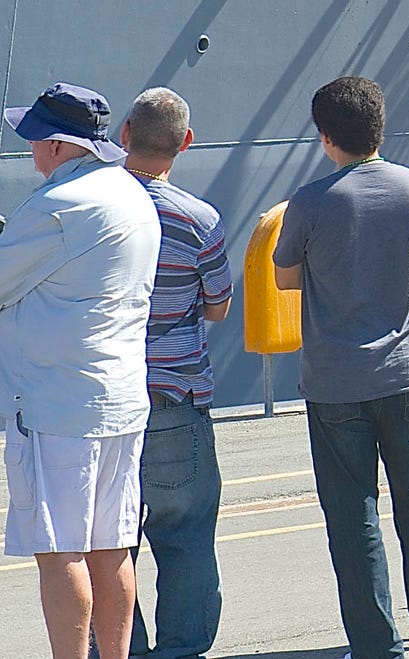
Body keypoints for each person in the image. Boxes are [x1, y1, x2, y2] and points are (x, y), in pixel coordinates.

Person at [271, 76, 409, 659]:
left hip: (336, 381)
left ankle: (374, 645)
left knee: (353, 517)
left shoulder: (311, 201)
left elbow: (285, 277)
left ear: (324, 136)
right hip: (406, 374)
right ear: (380, 125)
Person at [0, 85, 162, 659]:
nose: (31, 151)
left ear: (58, 144)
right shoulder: (132, 192)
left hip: (57, 404)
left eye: (36, 139)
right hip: (119, 397)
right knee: (111, 546)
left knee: (59, 549)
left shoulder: (55, 207)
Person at [117, 90, 230, 659]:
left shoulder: (93, 207)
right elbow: (216, 305)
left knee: (108, 545)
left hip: (106, 400)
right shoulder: (199, 218)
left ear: (123, 132)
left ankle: (117, 647)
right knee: (184, 537)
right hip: (173, 398)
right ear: (185, 142)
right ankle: (181, 650)